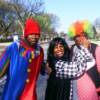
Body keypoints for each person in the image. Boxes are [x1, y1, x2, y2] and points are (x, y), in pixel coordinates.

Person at [0, 18, 44, 100]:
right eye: (31, 33)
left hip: (30, 96)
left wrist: (46, 68)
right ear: (26, 34)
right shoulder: (13, 48)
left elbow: (41, 68)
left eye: (37, 34)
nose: (34, 36)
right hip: (11, 95)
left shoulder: (39, 51)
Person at [71, 33, 100, 100]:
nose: (80, 39)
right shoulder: (73, 48)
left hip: (94, 85)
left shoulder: (95, 48)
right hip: (77, 86)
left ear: (86, 37)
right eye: (77, 37)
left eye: (82, 37)